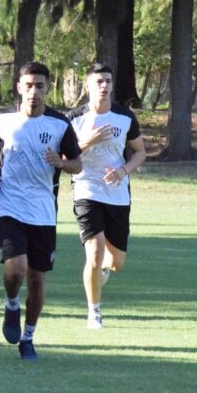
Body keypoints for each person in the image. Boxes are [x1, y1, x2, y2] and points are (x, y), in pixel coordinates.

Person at [0, 62, 82, 360]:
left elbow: (78, 164)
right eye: (28, 86)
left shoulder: (59, 124)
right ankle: (11, 304)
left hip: (43, 213)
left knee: (37, 279)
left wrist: (62, 163)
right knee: (16, 269)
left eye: (39, 86)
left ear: (47, 87)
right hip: (10, 206)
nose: (34, 92)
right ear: (19, 87)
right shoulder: (3, 119)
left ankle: (28, 338)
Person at [67, 63, 145, 329]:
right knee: (95, 251)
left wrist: (123, 171)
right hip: (86, 188)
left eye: (108, 81)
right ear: (87, 85)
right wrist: (88, 141)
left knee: (116, 262)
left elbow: (140, 152)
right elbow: (66, 157)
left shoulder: (125, 117)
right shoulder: (74, 118)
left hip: (117, 194)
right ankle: (94, 312)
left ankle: (101, 271)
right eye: (98, 81)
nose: (104, 86)